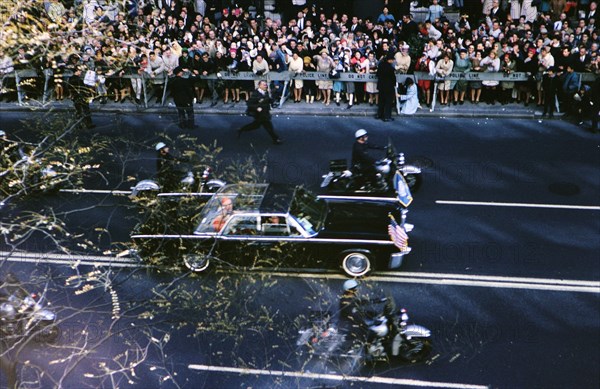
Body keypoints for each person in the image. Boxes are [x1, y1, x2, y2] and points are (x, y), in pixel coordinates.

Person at [237, 80, 283, 145]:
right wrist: (256, 108)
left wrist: (272, 101)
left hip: (264, 112)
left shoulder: (266, 92)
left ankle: (241, 129)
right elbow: (249, 103)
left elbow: (268, 100)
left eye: (266, 85)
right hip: (259, 114)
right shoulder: (255, 94)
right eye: (264, 85)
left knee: (255, 125)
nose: (266, 86)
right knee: (268, 126)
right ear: (259, 85)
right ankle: (275, 139)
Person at [376, 52, 397, 122]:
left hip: (381, 86)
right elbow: (393, 79)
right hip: (388, 87)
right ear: (390, 60)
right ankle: (387, 116)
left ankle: (379, 114)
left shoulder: (381, 65)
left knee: (381, 101)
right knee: (388, 102)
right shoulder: (391, 68)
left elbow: (377, 74)